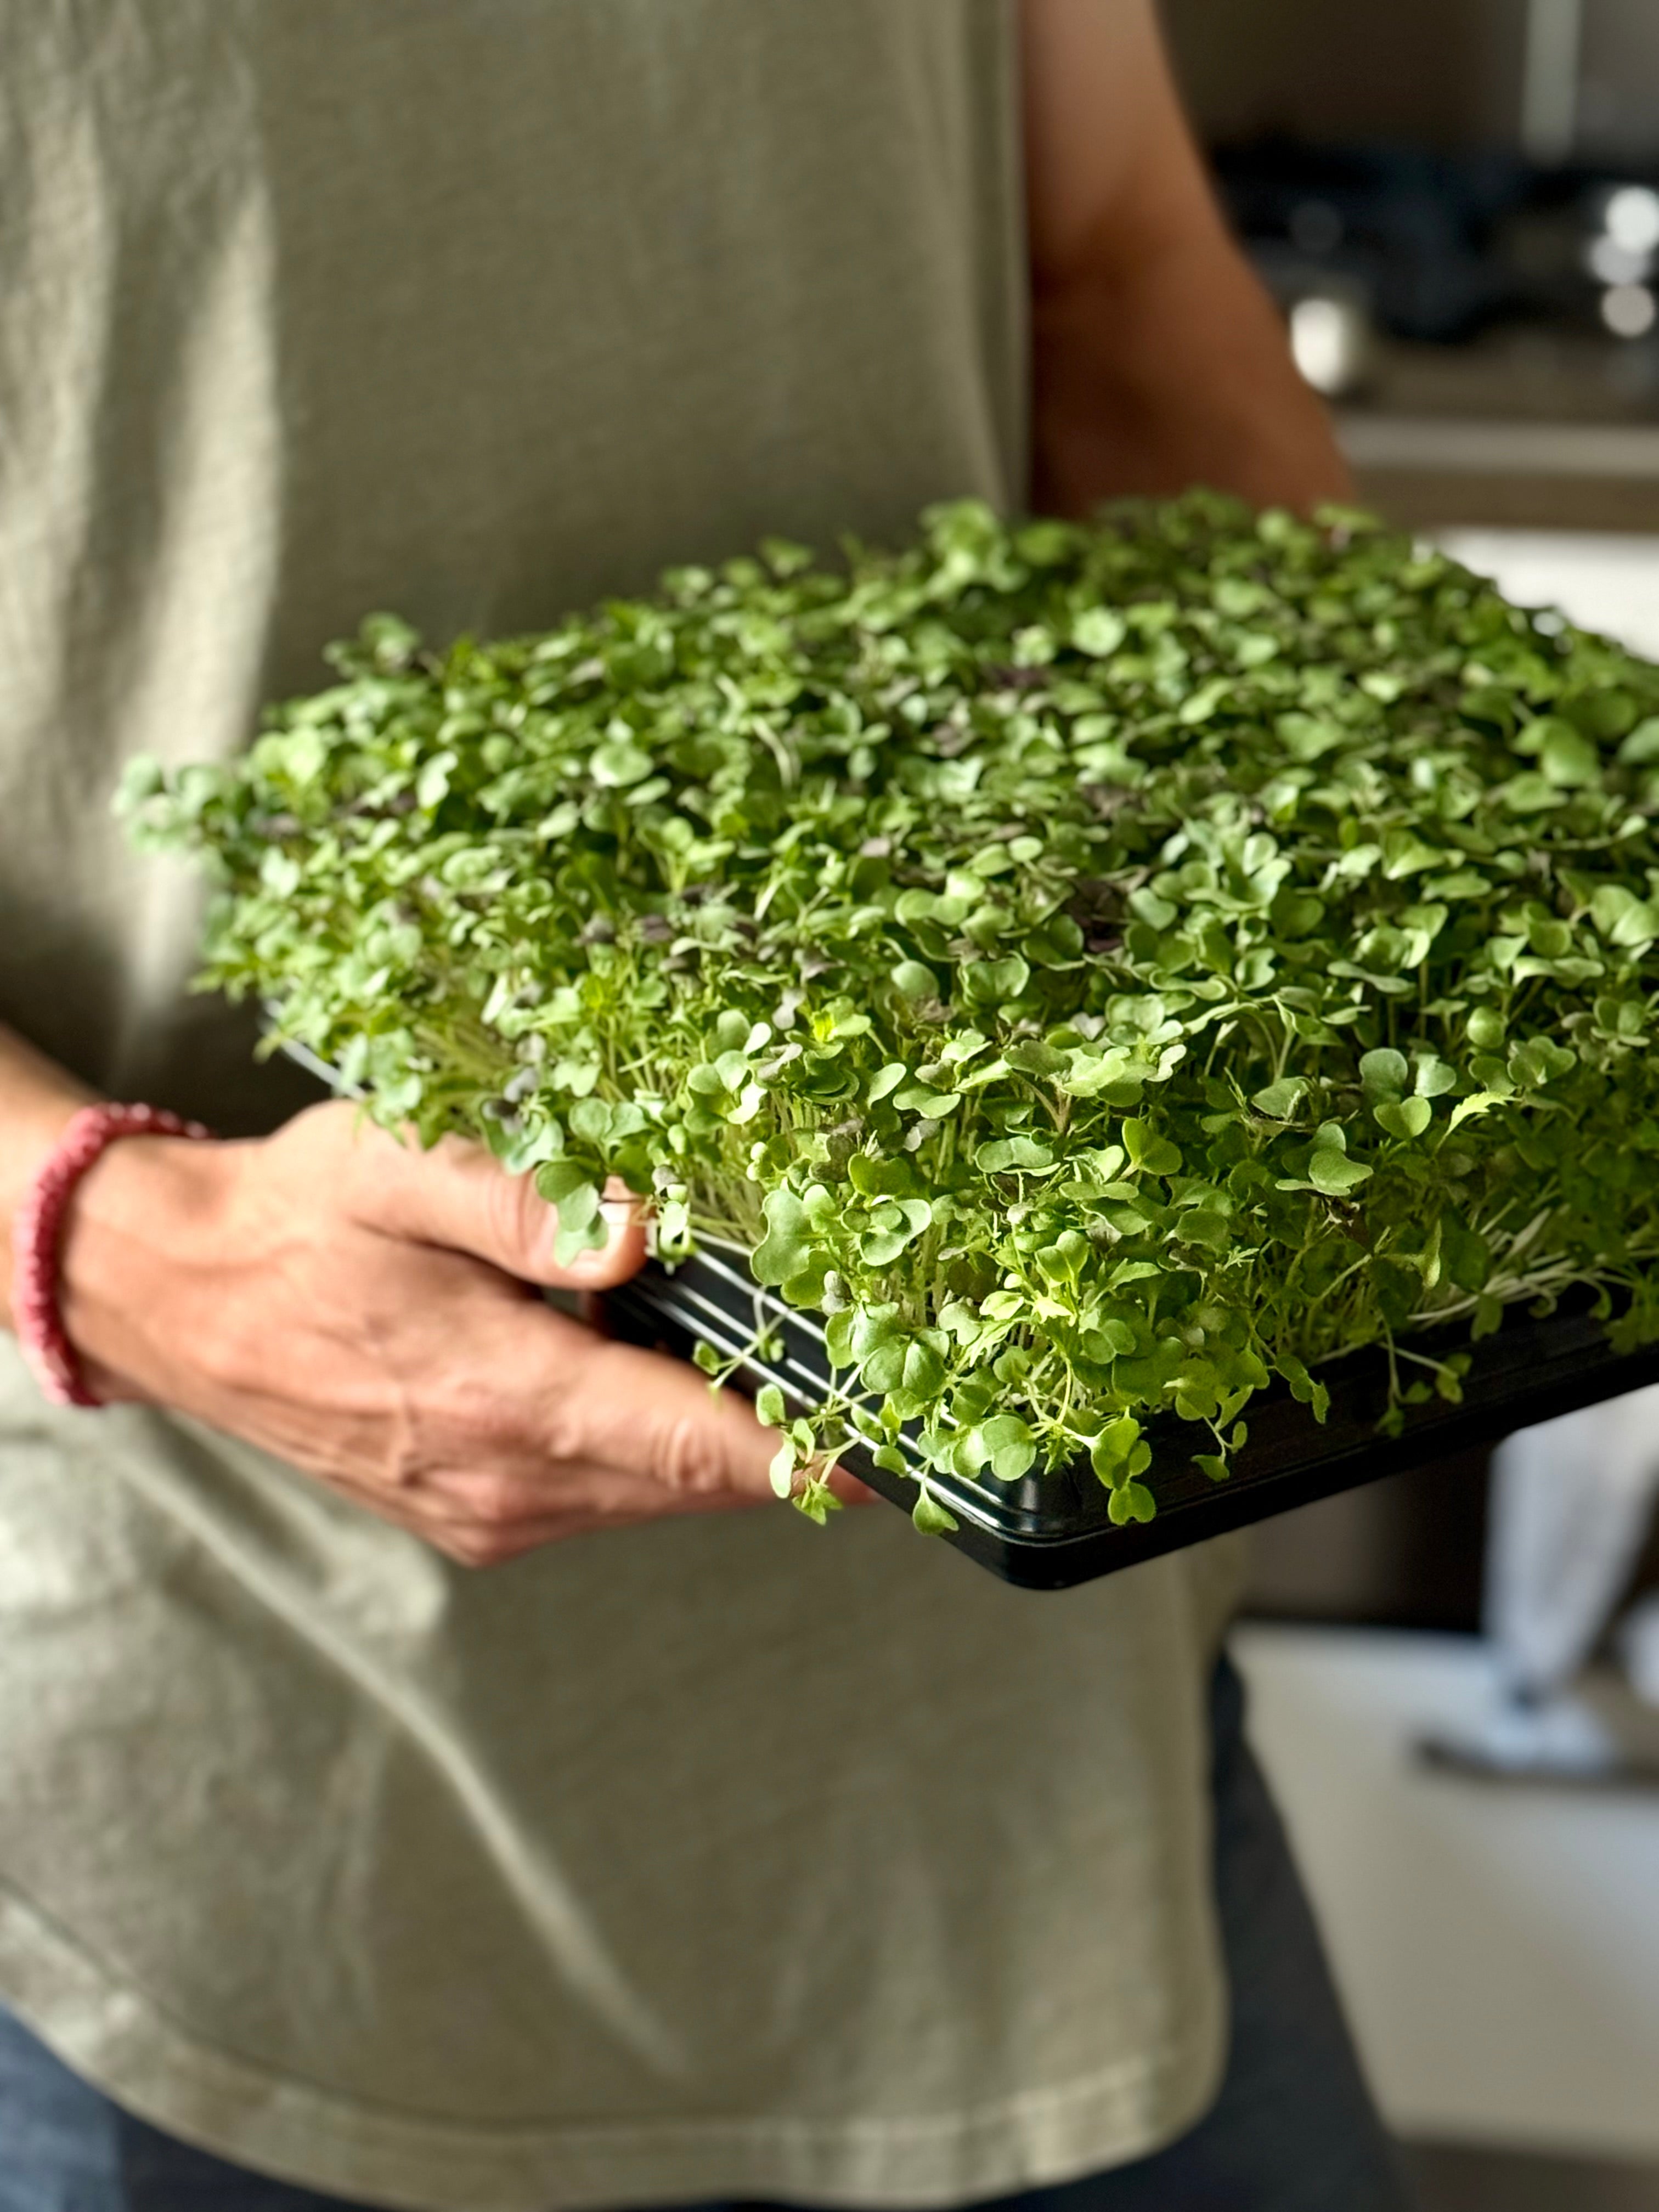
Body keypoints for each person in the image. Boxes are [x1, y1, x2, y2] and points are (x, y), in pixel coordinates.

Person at [0, 3, 1409, 2207]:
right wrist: (110, 1236)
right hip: (234, 1791)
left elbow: (1118, 269)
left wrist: (1439, 912)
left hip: (1038, 1724)